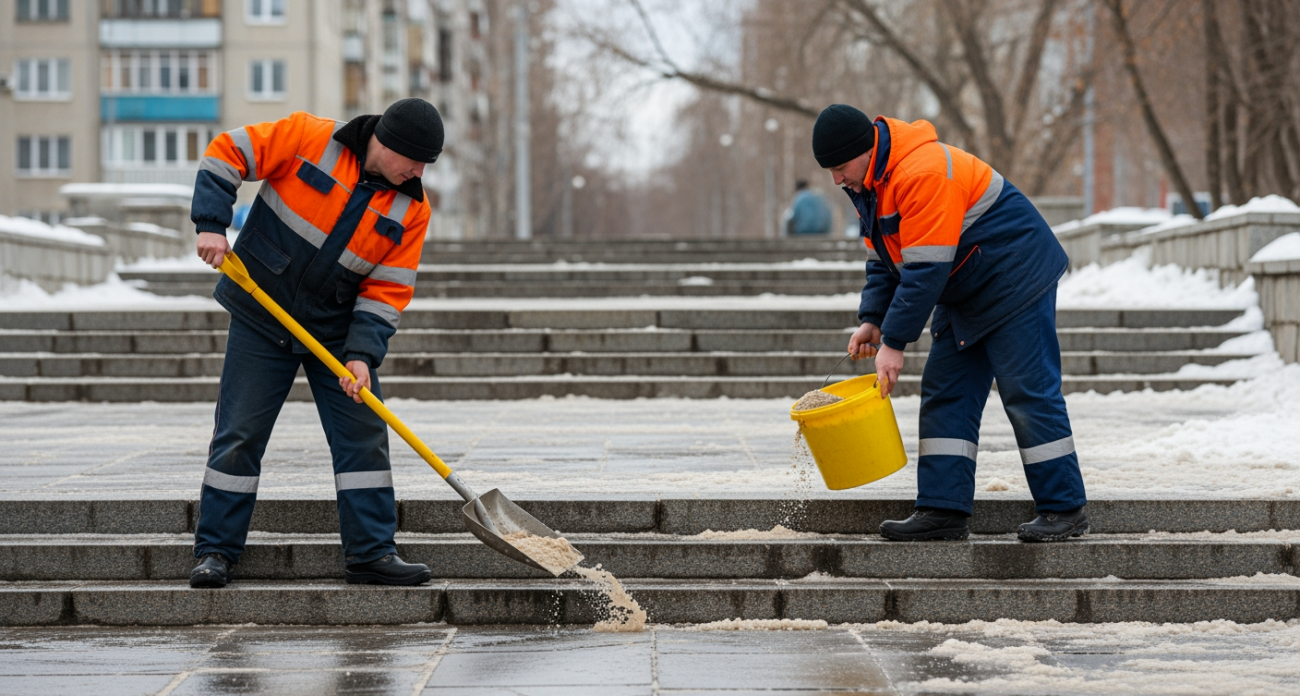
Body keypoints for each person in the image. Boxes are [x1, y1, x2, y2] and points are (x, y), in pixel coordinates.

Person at [188, 99, 443, 587]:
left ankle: (371, 553)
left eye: (426, 164)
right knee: (239, 434)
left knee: (364, 437)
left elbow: (387, 289)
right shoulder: (309, 137)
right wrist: (211, 224)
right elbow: (227, 153)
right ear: (385, 143)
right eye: (414, 160)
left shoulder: (412, 208)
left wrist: (362, 355)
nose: (418, 171)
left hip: (336, 333)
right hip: (262, 312)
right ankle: (215, 551)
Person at [811, 104, 1088, 543]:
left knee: (1027, 392)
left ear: (864, 151)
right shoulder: (870, 184)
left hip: (1015, 274)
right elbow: (885, 259)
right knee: (947, 392)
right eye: (830, 171)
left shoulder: (921, 172)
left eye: (840, 167)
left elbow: (925, 270)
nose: (836, 179)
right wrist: (873, 321)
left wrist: (895, 342)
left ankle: (1064, 507)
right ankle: (943, 509)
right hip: (968, 283)